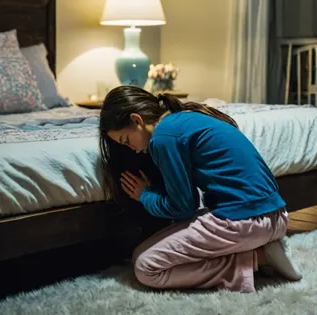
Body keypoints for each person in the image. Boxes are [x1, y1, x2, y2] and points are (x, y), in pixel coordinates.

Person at [98, 86, 302, 292]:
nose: (130, 148)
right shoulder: (182, 119)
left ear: (136, 120)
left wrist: (144, 195)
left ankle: (257, 258)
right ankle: (262, 247)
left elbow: (183, 208)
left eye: (126, 140)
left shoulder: (163, 138)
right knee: (138, 255)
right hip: (277, 214)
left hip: (245, 221)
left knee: (147, 268)